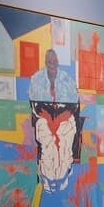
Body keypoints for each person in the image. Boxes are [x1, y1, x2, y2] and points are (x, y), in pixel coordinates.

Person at [28, 48, 84, 193]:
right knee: (48, 142)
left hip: (64, 116)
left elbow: (75, 103)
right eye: (49, 61)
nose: (52, 64)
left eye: (54, 61)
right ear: (45, 63)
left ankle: (62, 176)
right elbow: (34, 104)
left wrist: (61, 116)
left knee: (64, 140)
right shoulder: (36, 78)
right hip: (44, 117)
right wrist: (47, 115)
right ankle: (49, 179)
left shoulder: (67, 79)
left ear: (58, 62)